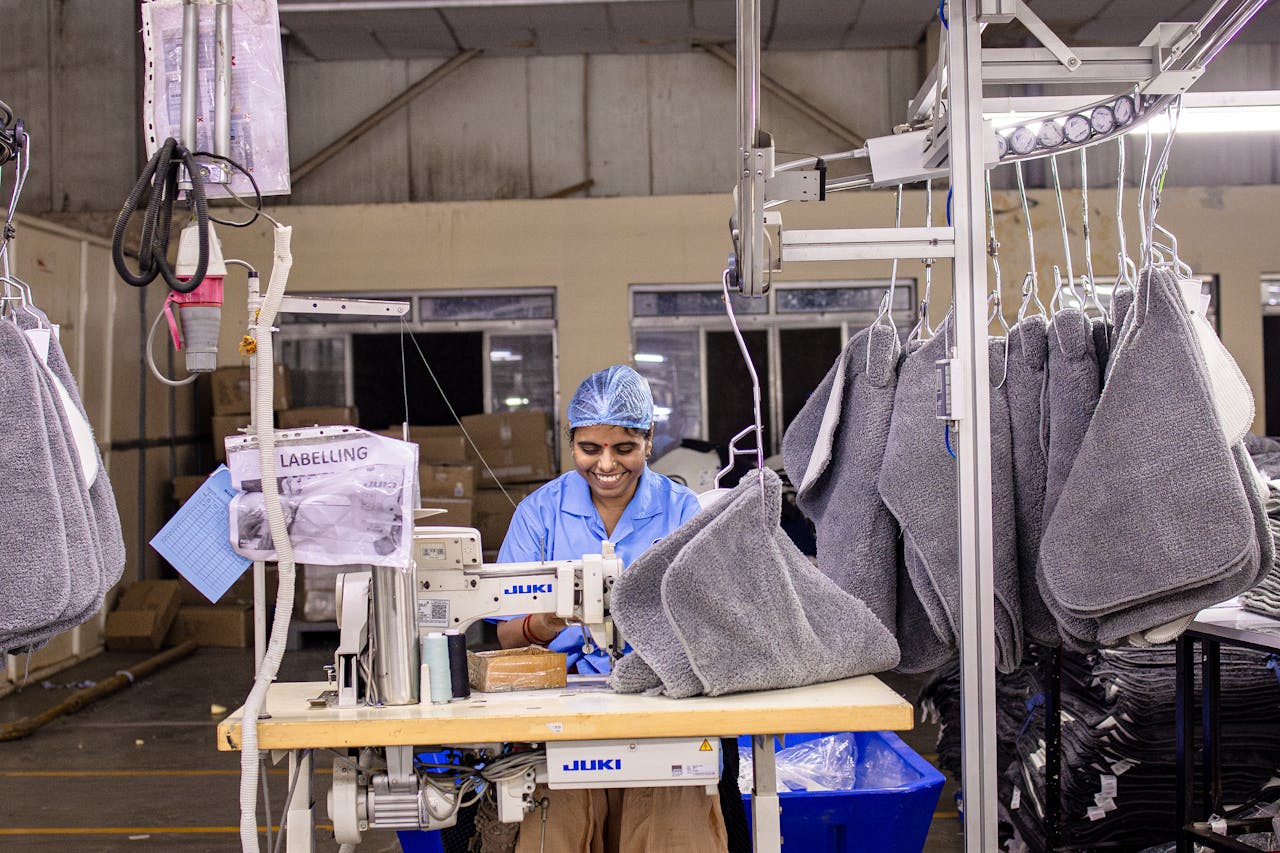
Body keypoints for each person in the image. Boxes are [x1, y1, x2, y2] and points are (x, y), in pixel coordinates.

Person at [494, 364, 729, 853]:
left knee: (673, 824)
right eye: (589, 448)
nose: (606, 464)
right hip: (560, 707)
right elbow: (505, 636)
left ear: (648, 442)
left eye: (623, 448)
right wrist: (543, 622)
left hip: (663, 700)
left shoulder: (681, 510)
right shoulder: (539, 512)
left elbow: (711, 619)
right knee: (558, 826)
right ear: (571, 443)